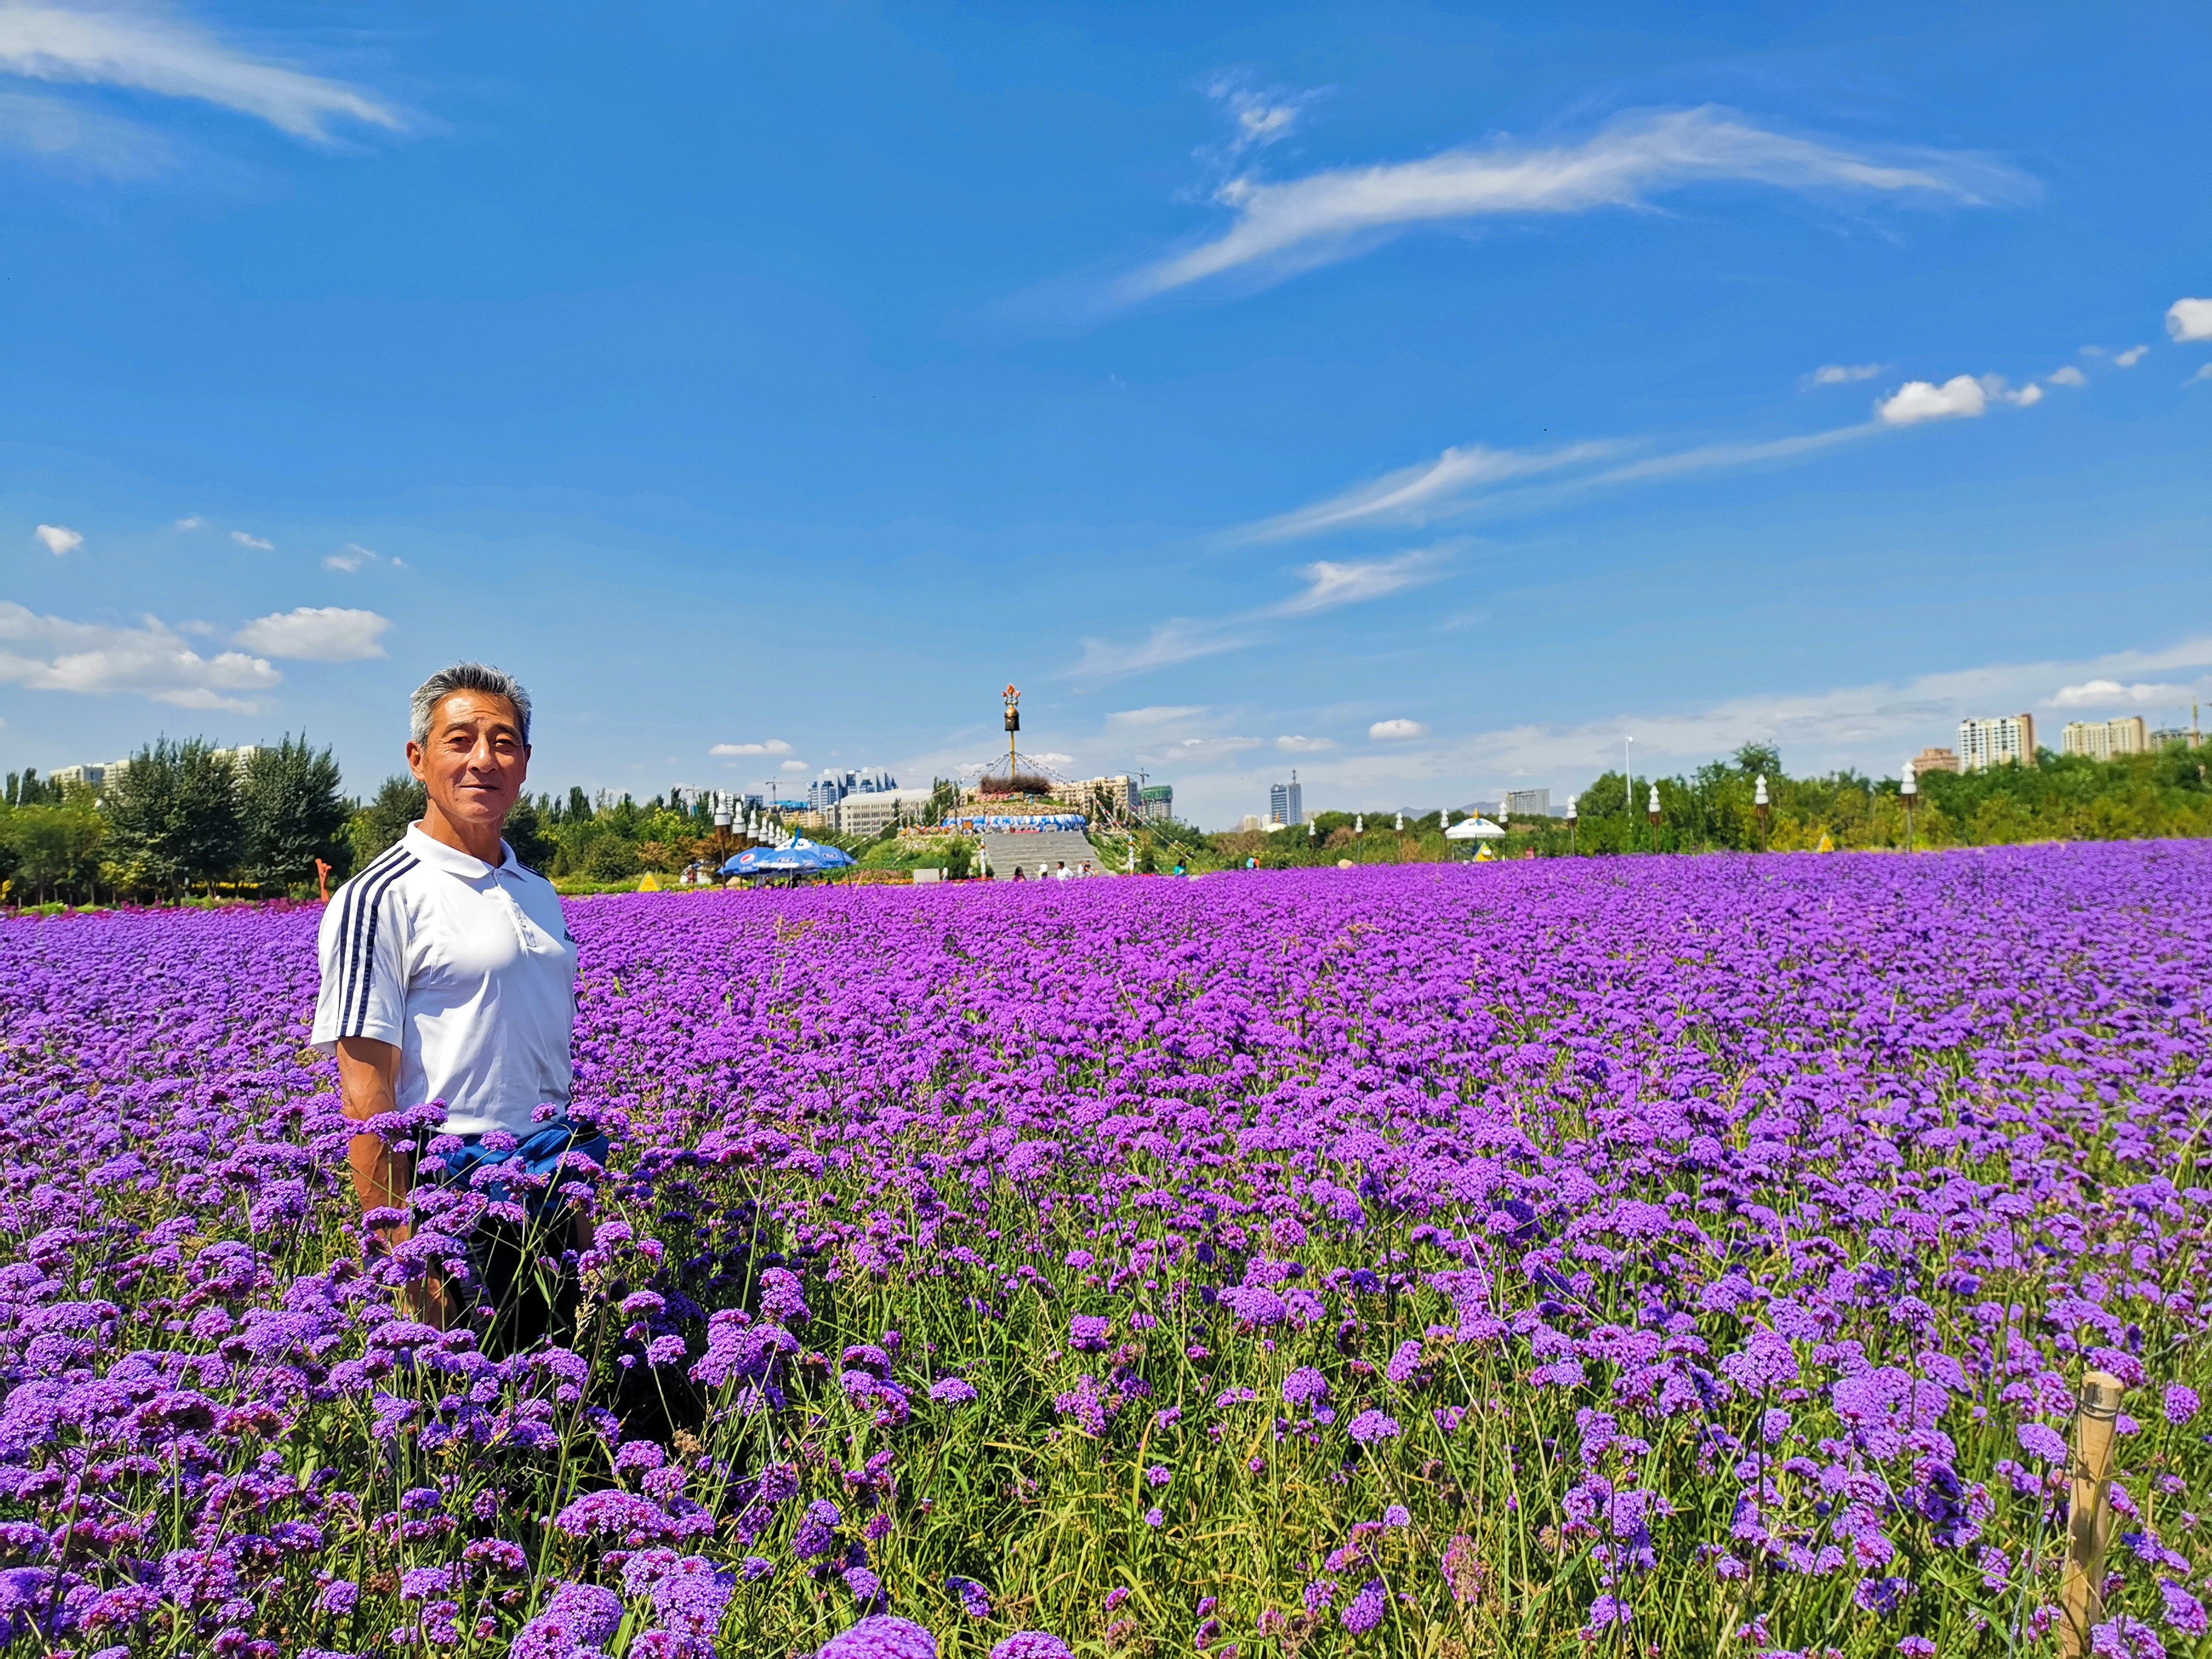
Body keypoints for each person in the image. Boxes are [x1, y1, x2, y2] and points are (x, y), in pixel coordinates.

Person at [312, 662, 602, 1354]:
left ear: (526, 763)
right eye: (460, 740)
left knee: (567, 1422)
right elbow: (366, 1098)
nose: (484, 760)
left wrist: (585, 1221)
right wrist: (408, 1264)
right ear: (418, 759)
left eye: (503, 742)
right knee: (477, 1432)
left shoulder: (537, 890)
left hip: (550, 1184)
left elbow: (548, 1074)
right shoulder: (378, 897)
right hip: (452, 1195)